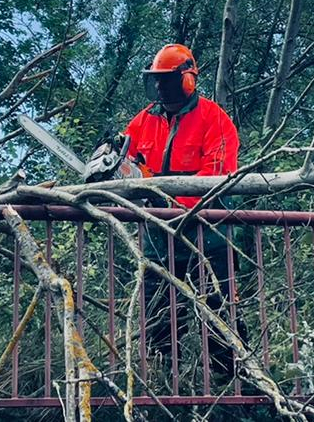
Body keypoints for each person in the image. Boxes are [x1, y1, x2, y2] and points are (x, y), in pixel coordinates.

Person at [118, 43, 242, 381]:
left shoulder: (214, 119)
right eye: (156, 81)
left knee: (218, 310)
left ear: (187, 81)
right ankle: (164, 381)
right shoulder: (144, 120)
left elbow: (214, 177)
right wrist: (114, 164)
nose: (160, 88)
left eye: (166, 81)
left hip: (208, 230)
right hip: (158, 233)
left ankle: (230, 383)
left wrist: (161, 193)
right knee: (158, 313)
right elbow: (124, 158)